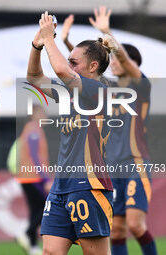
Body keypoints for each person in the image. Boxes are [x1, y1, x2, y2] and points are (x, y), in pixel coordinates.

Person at [27, 11, 118, 255]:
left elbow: (61, 71)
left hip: (89, 185)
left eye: (74, 62)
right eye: (69, 61)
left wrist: (49, 38)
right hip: (62, 186)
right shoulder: (71, 92)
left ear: (93, 66)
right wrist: (36, 46)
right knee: (50, 252)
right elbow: (34, 78)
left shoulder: (96, 90)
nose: (69, 66)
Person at [88, 6, 157, 255]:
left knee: (136, 225)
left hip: (136, 164)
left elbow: (125, 59)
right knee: (115, 230)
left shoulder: (141, 85)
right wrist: (63, 41)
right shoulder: (113, 94)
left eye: (117, 59)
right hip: (112, 167)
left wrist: (106, 32)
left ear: (133, 63)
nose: (114, 63)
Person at [7, 105, 51, 255]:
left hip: (27, 178)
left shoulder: (29, 130)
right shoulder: (34, 130)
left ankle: (32, 246)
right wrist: (46, 179)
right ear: (35, 114)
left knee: (35, 212)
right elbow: (35, 157)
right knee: (47, 208)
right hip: (33, 178)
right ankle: (26, 233)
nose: (45, 117)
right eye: (43, 113)